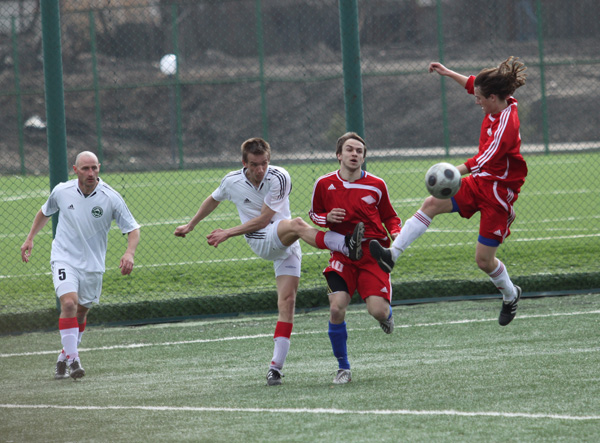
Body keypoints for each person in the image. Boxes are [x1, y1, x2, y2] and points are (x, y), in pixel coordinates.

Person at [174, 137, 363, 387]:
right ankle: (345, 245)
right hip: (261, 240)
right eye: (254, 164)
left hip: (285, 241)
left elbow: (266, 218)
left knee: (287, 302)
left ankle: (275, 368)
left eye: (264, 163)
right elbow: (215, 200)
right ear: (244, 163)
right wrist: (191, 224)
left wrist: (227, 231)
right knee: (296, 224)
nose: (260, 169)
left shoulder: (279, 177)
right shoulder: (232, 181)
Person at [370, 56, 528, 326]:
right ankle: (391, 255)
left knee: (483, 261)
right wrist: (446, 72)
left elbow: (485, 158)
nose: (475, 101)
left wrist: (452, 172)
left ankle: (511, 294)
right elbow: (472, 85)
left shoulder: (506, 125)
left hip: (498, 194)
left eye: (479, 98)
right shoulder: (495, 102)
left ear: (492, 98)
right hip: (480, 182)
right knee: (431, 203)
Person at [21, 151, 140, 380]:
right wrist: (30, 238)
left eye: (94, 168)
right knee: (68, 304)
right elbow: (45, 212)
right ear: (75, 170)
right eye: (85, 168)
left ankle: (64, 356)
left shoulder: (111, 197)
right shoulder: (62, 191)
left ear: (100, 168)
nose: (91, 173)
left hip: (93, 265)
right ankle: (75, 360)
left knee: (82, 313)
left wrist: (129, 252)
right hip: (64, 257)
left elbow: (133, 228)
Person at [309, 132, 402, 384]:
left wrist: (396, 233)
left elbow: (390, 217)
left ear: (363, 157)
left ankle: (387, 315)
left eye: (359, 151)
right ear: (339, 155)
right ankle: (343, 368)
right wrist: (327, 218)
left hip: (372, 256)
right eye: (349, 150)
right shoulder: (324, 183)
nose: (354, 154)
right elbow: (314, 214)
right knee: (337, 307)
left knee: (377, 311)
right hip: (343, 254)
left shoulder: (376, 184)